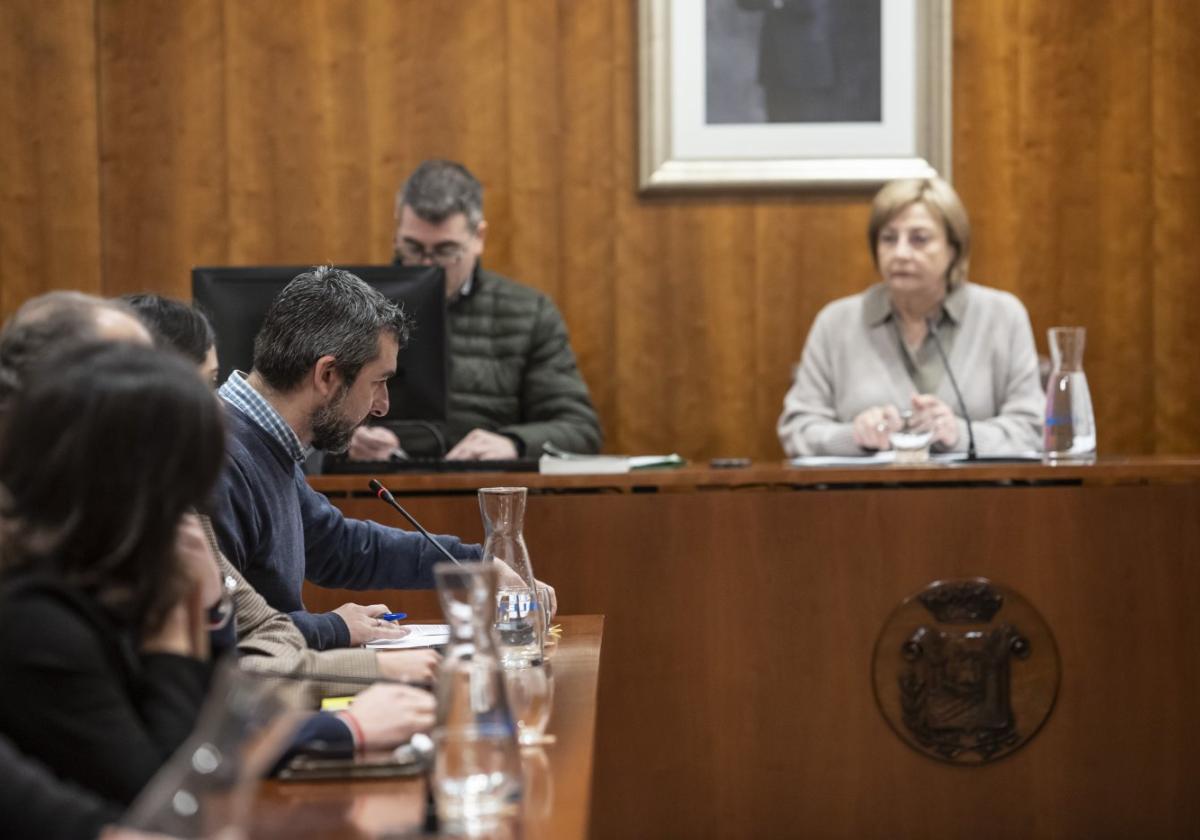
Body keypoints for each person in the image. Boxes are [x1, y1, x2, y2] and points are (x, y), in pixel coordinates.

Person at [123, 293, 439, 699]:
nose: (213, 409)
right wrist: (352, 664)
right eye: (197, 388)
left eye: (211, 384)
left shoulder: (231, 471)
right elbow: (227, 665)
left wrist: (475, 561)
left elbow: (264, 621)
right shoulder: (214, 465)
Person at [209, 266, 502, 650]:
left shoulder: (265, 441)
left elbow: (337, 547)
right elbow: (224, 637)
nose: (382, 406)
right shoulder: (216, 459)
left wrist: (476, 563)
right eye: (378, 382)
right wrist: (335, 627)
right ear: (327, 375)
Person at [0, 343, 225, 805]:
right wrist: (174, 630)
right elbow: (166, 802)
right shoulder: (37, 621)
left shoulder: (108, 583)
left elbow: (220, 749)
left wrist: (206, 610)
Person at [349, 158, 601, 461]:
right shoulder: (354, 308)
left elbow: (580, 430)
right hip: (377, 489)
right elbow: (307, 415)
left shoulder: (529, 314)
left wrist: (513, 444)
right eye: (413, 248)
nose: (428, 265)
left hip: (486, 489)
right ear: (398, 232)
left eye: (445, 251)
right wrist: (346, 438)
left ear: (478, 238)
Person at [777, 177, 1044, 457]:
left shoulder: (1001, 316)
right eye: (889, 238)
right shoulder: (836, 323)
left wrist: (959, 433)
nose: (901, 253)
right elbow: (797, 430)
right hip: (863, 499)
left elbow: (1031, 430)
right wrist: (853, 436)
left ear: (953, 248)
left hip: (978, 498)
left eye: (919, 239)